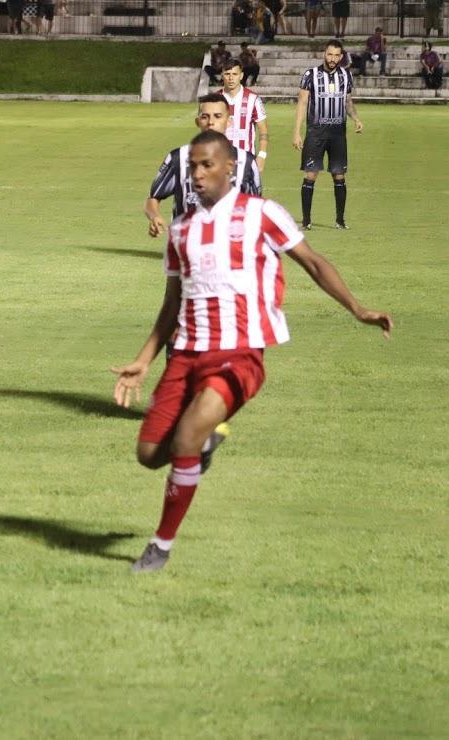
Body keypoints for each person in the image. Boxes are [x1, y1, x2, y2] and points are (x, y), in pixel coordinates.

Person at [115, 129, 392, 573]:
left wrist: (357, 308)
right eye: (193, 167)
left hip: (239, 354)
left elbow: (314, 262)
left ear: (229, 168)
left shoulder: (262, 214)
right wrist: (145, 359)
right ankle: (207, 440)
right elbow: (172, 303)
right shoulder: (182, 229)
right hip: (186, 352)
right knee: (149, 454)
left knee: (184, 438)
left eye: (207, 165)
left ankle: (160, 547)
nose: (198, 174)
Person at [145, 93, 262, 237]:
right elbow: (153, 199)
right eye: (205, 117)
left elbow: (256, 207)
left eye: (218, 116)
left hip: (231, 251)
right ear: (197, 121)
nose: (210, 122)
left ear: (229, 121)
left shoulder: (247, 161)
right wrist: (154, 216)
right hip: (186, 250)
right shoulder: (178, 157)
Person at [293, 39, 363, 230]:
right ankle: (306, 221)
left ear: (341, 56)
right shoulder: (310, 75)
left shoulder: (346, 75)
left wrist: (356, 118)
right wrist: (297, 132)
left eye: (336, 55)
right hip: (315, 133)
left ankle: (340, 220)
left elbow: (348, 102)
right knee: (311, 175)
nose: (332, 59)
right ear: (324, 54)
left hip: (337, 134)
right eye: (329, 54)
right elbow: (302, 103)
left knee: (339, 176)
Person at [219, 59, 268, 169]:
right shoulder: (215, 99)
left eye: (235, 74)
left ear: (241, 76)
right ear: (222, 75)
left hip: (246, 160)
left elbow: (263, 129)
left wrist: (262, 155)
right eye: (227, 74)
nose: (231, 78)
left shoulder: (253, 99)